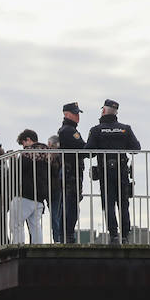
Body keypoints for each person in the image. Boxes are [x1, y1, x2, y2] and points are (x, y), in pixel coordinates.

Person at [86, 99, 140, 245]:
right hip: (122, 171)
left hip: (105, 172)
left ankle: (114, 235)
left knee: (108, 204)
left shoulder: (96, 130)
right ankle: (125, 236)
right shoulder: (125, 129)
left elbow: (88, 152)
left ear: (103, 111)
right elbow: (136, 148)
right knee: (123, 203)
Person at [56, 102, 88, 244]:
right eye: (75, 114)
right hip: (71, 171)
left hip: (71, 170)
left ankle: (66, 234)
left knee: (69, 203)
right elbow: (82, 147)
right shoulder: (68, 131)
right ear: (66, 114)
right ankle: (67, 234)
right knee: (71, 204)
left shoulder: (68, 129)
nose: (78, 117)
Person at [10, 129, 50, 244]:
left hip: (25, 194)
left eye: (23, 144)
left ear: (28, 140)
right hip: (40, 196)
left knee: (16, 224)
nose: (23, 147)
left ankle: (18, 247)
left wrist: (13, 160)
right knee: (35, 226)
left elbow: (17, 171)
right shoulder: (48, 153)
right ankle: (38, 248)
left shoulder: (27, 153)